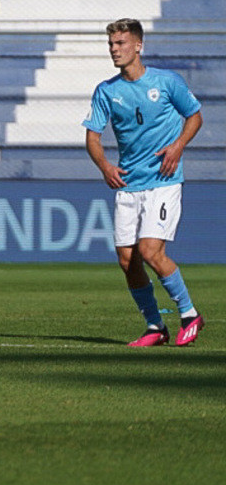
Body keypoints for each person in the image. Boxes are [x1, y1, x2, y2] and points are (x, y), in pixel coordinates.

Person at [83, 18, 205, 347]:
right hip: (128, 184)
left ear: (138, 45)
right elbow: (92, 136)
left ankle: (189, 314)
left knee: (150, 250)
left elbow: (194, 116)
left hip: (163, 181)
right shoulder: (106, 91)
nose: (114, 50)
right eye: (111, 44)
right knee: (127, 260)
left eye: (120, 44)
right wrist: (105, 166)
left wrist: (178, 146)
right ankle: (155, 327)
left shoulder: (167, 82)